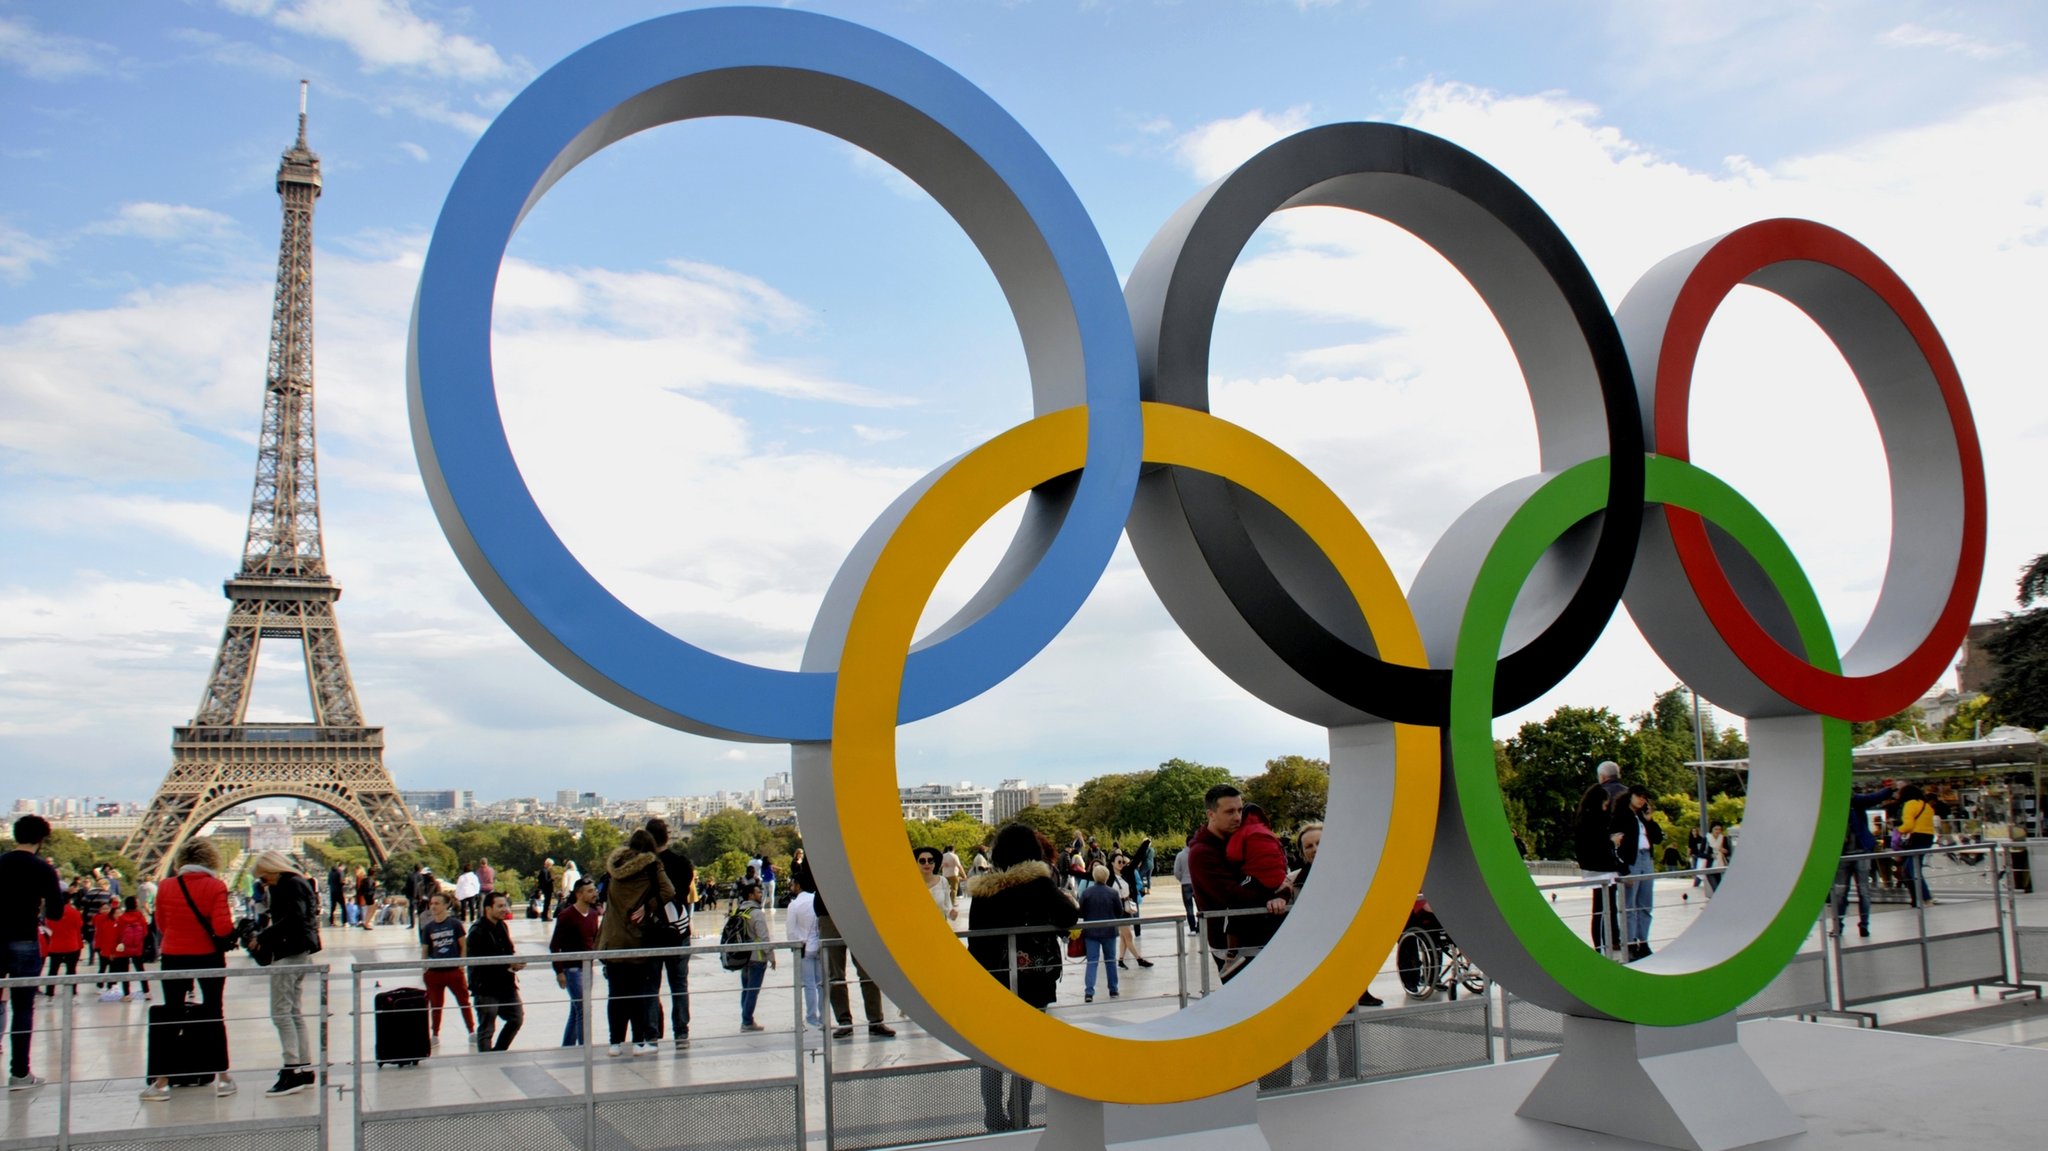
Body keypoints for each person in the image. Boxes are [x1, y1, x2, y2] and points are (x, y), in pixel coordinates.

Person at [965, 823, 1078, 1132]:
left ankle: (992, 1113)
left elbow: (977, 941)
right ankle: (1020, 1112)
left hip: (995, 981)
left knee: (993, 1052)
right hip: (1036, 981)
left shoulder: (985, 891)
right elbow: (1069, 916)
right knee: (1026, 1051)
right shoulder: (1039, 885)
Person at [141, 836, 237, 1101]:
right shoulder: (215, 886)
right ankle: (223, 1078)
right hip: (207, 956)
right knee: (213, 1014)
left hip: (174, 955)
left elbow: (160, 925)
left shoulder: (166, 886)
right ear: (210, 860)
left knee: (172, 1015)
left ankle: (161, 1082)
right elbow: (222, 928)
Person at [1186, 784, 1288, 977]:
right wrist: (1276, 891)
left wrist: (1281, 891)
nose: (1237, 817)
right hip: (1230, 946)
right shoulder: (1202, 853)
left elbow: (1272, 872)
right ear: (1211, 814)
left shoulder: (1242, 840)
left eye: (1240, 810)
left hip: (1258, 937)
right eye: (1230, 811)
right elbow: (1233, 896)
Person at [249, 850, 321, 1098]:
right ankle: (304, 1067)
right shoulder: (295, 883)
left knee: (280, 1012)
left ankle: (292, 1069)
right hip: (298, 949)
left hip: (289, 950)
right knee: (293, 1012)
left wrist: (262, 936)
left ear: (272, 869)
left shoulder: (290, 885)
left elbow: (294, 919)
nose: (262, 883)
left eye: (263, 878)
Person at [599, 829, 674, 1056]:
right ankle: (639, 1041)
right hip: (637, 938)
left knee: (616, 994)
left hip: (613, 938)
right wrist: (648, 907)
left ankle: (614, 1043)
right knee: (639, 993)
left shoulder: (615, 869)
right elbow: (668, 890)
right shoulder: (651, 866)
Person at [1, 816, 62, 1090]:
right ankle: (19, 1073)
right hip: (25, 940)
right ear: (41, 839)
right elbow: (57, 912)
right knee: (23, 1008)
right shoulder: (43, 869)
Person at [815, 886, 895, 1040]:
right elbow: (808, 881)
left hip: (858, 911)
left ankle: (875, 1020)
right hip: (828, 912)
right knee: (835, 974)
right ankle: (844, 1022)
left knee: (868, 971)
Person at [645, 818, 695, 1050]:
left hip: (653, 931)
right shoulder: (683, 863)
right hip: (679, 929)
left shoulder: (646, 867)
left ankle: (653, 1033)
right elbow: (684, 893)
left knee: (652, 985)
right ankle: (681, 1032)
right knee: (679, 984)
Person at [1834, 784, 1896, 939]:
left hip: (1856, 852)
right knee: (1844, 893)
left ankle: (1862, 925)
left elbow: (1871, 799)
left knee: (1859, 891)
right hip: (1846, 854)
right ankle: (1840, 925)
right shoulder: (1842, 805)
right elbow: (1871, 799)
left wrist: (1888, 790)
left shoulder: (1854, 802)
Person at [466, 892, 524, 1051]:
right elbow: (477, 962)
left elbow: (509, 951)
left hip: (506, 984)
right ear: (488, 908)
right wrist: (508, 964)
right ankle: (487, 1059)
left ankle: (498, 1052)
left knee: (516, 1018)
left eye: (505, 905)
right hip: (486, 987)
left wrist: (514, 962)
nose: (504, 909)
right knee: (487, 1027)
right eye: (500, 906)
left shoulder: (502, 926)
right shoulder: (477, 931)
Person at [417, 893, 476, 1047]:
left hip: (453, 970)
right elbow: (425, 950)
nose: (434, 906)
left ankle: (471, 1030)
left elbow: (463, 945)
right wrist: (424, 970)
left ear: (445, 906)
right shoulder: (428, 928)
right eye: (432, 903)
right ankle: (435, 1033)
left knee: (464, 1001)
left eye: (437, 903)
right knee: (436, 1005)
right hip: (435, 972)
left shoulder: (455, 924)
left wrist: (462, 965)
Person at [1613, 785, 1663, 961]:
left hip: (1646, 858)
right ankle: (1630, 942)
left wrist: (1649, 820)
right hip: (1632, 861)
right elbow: (1614, 844)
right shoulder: (1621, 815)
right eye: (1639, 796)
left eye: (1644, 797)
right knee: (1629, 905)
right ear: (1630, 796)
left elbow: (1657, 838)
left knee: (1645, 904)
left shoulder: (1642, 817)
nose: (1642, 800)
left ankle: (1643, 941)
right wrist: (1624, 870)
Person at [550, 877, 601, 1047]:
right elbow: (554, 945)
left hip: (588, 968)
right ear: (579, 894)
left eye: (594, 890)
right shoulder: (566, 916)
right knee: (584, 1008)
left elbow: (594, 940)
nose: (595, 894)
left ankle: (568, 1045)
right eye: (590, 891)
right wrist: (559, 972)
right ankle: (584, 1047)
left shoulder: (593, 914)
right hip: (572, 970)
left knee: (577, 1010)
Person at [1574, 783, 1624, 953]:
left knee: (1599, 910)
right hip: (1602, 868)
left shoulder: (1583, 818)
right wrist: (1612, 841)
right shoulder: (1596, 820)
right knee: (1605, 909)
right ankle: (1605, 945)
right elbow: (1599, 842)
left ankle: (1601, 946)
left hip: (1592, 869)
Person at [785, 867, 823, 1031]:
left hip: (804, 947)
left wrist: (796, 943)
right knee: (821, 983)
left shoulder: (794, 905)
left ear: (798, 885)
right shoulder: (815, 899)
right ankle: (824, 1015)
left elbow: (791, 931)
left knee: (808, 984)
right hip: (819, 945)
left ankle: (811, 1016)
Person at [735, 880, 776, 1032]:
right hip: (757, 957)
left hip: (744, 957)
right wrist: (771, 956)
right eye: (758, 892)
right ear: (751, 895)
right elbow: (764, 936)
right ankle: (747, 1021)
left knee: (746, 989)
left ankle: (747, 1019)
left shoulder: (740, 911)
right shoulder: (756, 913)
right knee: (753, 990)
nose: (761, 894)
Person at [1078, 864, 1121, 1003]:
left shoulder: (1086, 893)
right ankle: (1113, 989)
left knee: (1092, 961)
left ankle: (1089, 992)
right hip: (1109, 931)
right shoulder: (1113, 893)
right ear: (1107, 877)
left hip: (1091, 932)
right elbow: (1119, 912)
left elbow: (1081, 912)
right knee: (1110, 960)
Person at [1899, 784, 1939, 906]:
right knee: (1909, 869)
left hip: (1916, 838)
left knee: (1912, 869)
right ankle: (1918, 898)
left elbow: (1909, 826)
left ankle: (1926, 898)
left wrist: (1899, 830)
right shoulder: (1927, 806)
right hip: (1927, 838)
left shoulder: (1910, 804)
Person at [1108, 854, 1151, 969]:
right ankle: (1139, 959)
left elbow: (1136, 860)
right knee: (1128, 936)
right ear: (1112, 863)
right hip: (1118, 909)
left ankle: (1121, 960)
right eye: (1119, 862)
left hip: (1127, 907)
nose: (1122, 864)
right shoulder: (1110, 878)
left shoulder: (1124, 875)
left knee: (1123, 936)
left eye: (1123, 862)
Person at [41, 895, 84, 998]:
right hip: (72, 945)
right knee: (71, 969)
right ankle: (72, 991)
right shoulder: (75, 913)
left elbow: (48, 928)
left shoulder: (51, 913)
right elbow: (79, 925)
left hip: (55, 945)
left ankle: (50, 991)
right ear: (69, 900)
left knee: (53, 970)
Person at [92, 898, 125, 1002]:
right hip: (104, 948)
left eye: (107, 908)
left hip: (110, 949)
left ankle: (110, 986)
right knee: (103, 967)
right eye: (104, 909)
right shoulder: (102, 919)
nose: (106, 910)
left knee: (112, 968)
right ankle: (101, 985)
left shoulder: (117, 921)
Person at [916, 848, 957, 921]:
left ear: (935, 863)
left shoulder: (943, 881)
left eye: (930, 860)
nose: (927, 863)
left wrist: (952, 915)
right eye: (922, 861)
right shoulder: (911, 884)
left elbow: (947, 907)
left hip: (939, 926)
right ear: (916, 863)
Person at [537, 859, 557, 923]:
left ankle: (545, 915)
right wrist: (552, 879)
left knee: (547, 903)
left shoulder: (543, 871)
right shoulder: (544, 871)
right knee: (546, 903)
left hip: (546, 889)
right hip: (547, 889)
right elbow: (546, 881)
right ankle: (544, 916)